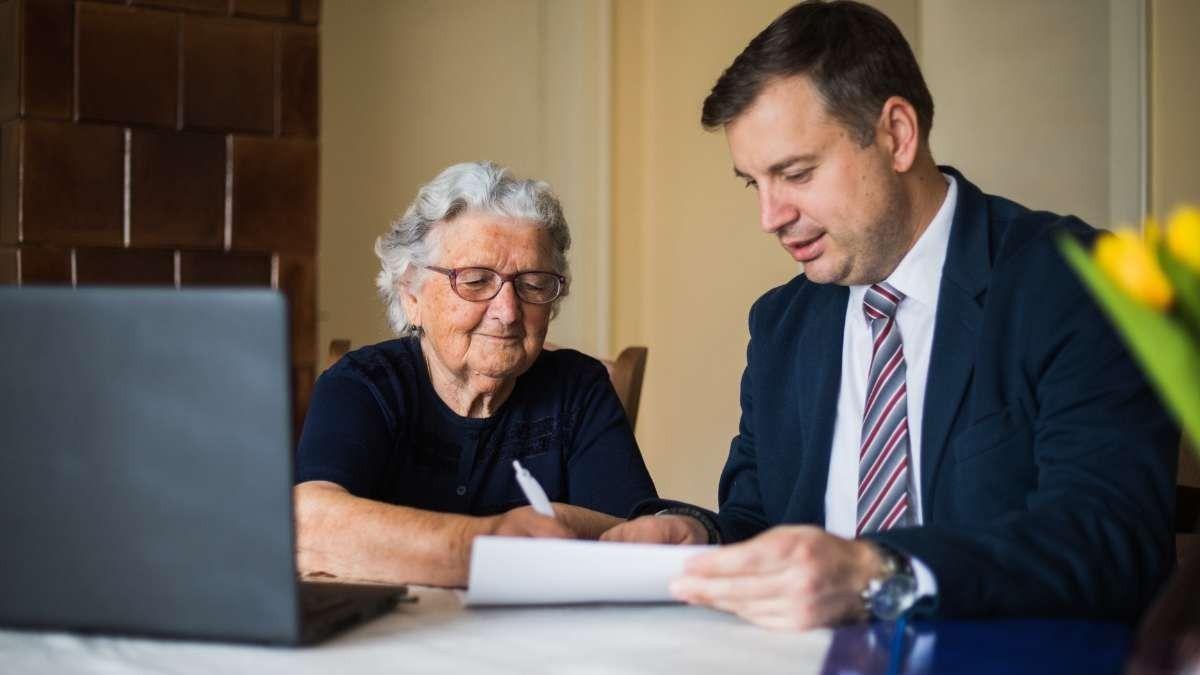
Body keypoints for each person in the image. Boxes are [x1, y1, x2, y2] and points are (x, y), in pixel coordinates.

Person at [602, 0, 1176, 629]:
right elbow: (760, 523)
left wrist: (881, 573)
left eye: (795, 173)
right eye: (754, 184)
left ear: (897, 135)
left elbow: (1109, 540)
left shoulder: (1082, 282)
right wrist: (697, 535)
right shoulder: (780, 324)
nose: (771, 217)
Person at [294, 161, 657, 587]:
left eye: (533, 283)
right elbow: (309, 525)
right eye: (475, 280)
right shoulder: (363, 384)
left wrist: (557, 522)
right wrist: (484, 545)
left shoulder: (578, 388)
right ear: (411, 296)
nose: (507, 312)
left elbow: (638, 537)